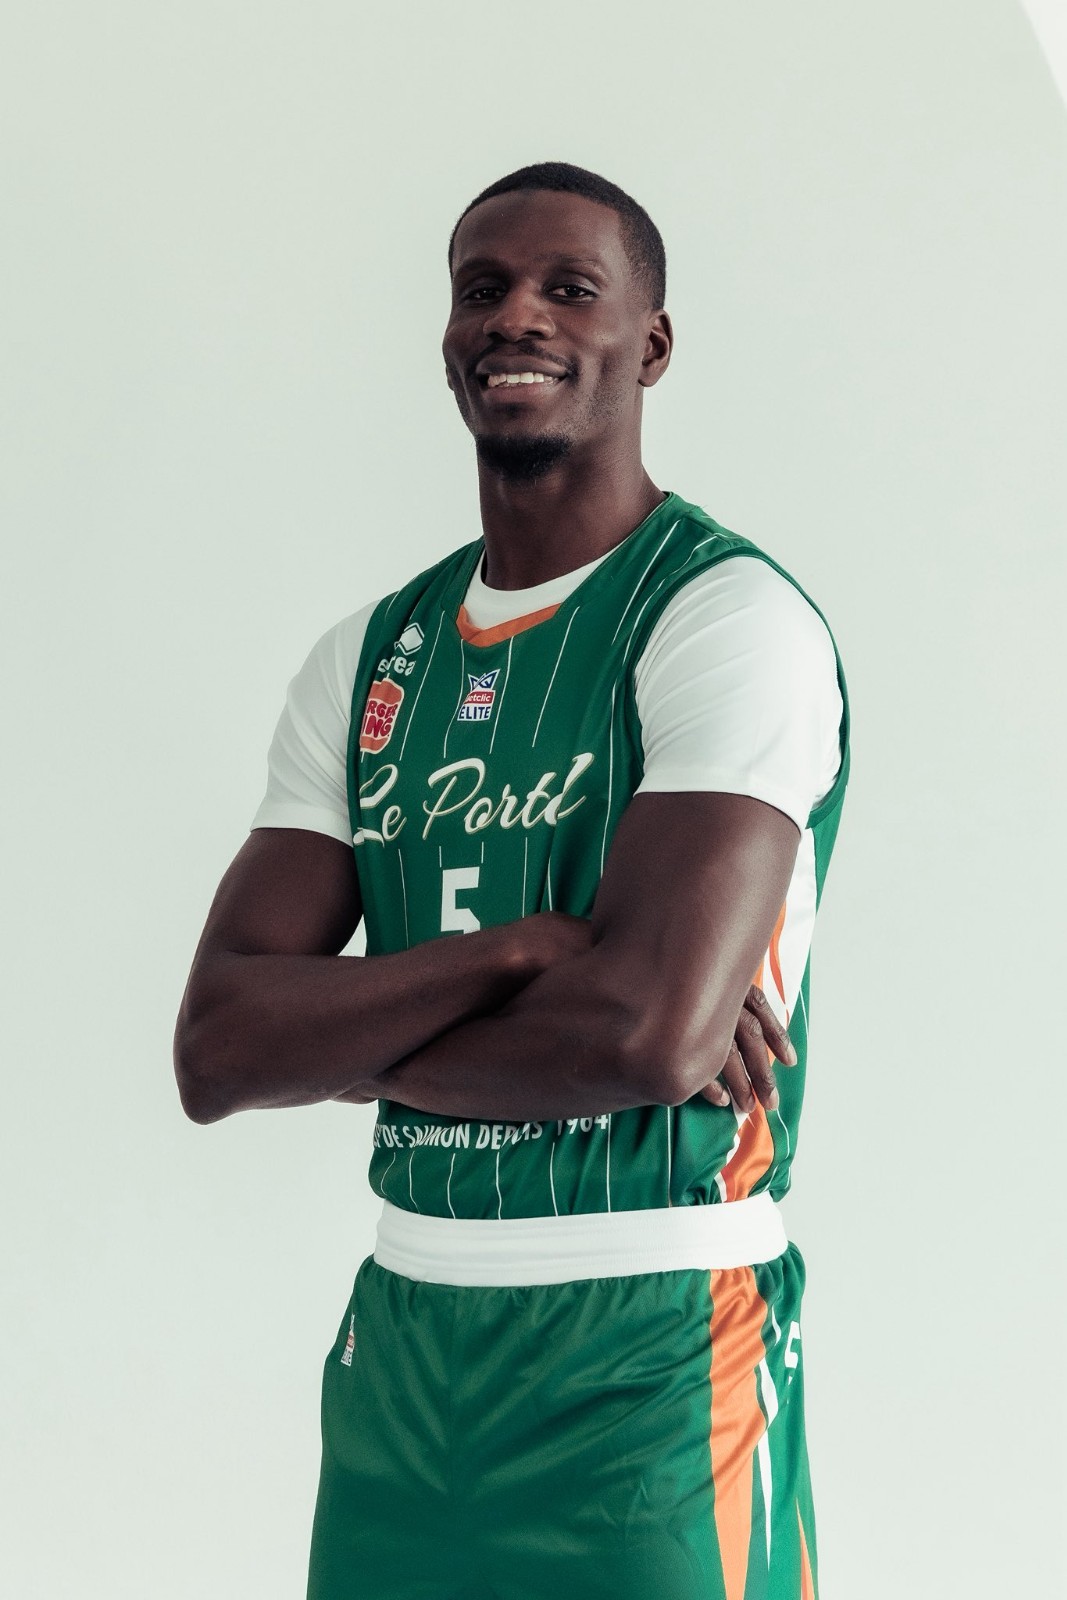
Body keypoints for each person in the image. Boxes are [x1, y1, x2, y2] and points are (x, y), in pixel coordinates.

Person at [174, 161, 848, 1600]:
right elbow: (220, 1048)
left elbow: (647, 1035)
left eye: (568, 289)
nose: (516, 318)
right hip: (402, 1348)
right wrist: (521, 952)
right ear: (447, 342)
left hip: (655, 1339)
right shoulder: (371, 659)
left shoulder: (724, 618)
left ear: (650, 345)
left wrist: (342, 1036)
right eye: (482, 290)